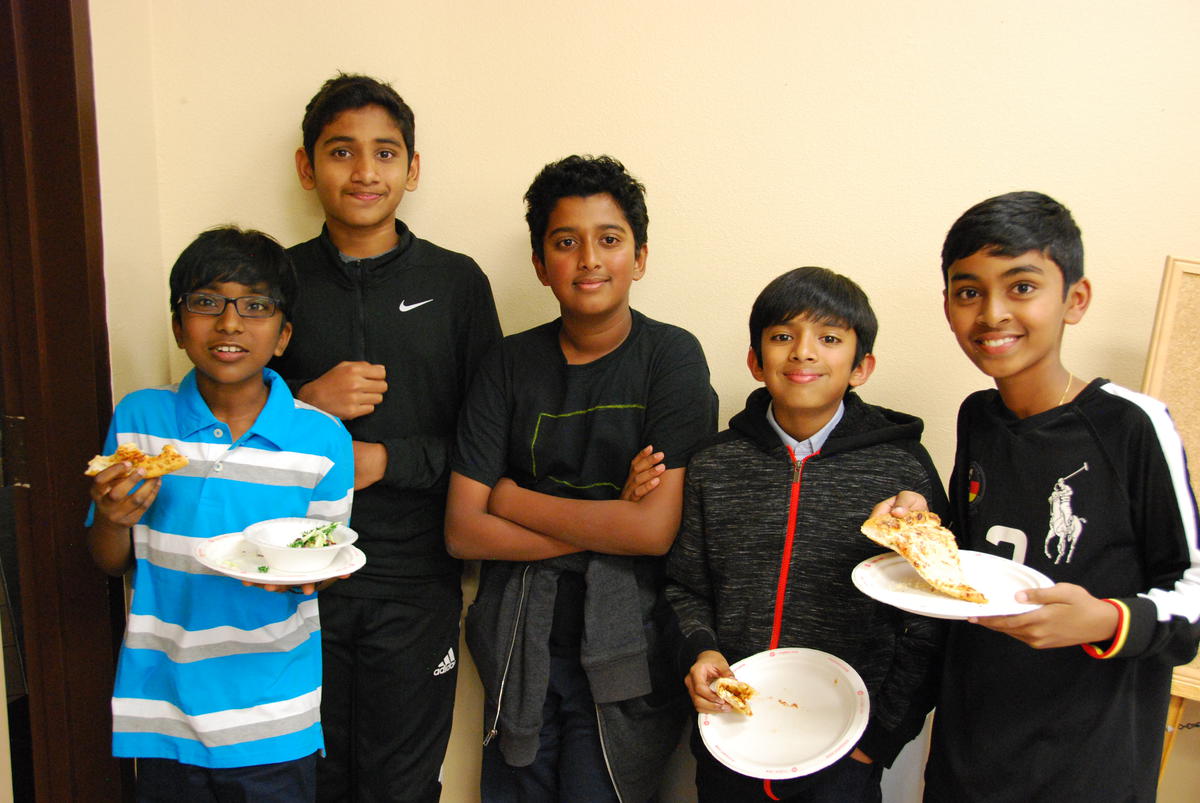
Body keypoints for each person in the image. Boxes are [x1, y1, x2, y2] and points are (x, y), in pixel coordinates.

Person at [877, 191, 1200, 801]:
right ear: (947, 306)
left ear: (1075, 300)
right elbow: (974, 555)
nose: (992, 313)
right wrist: (921, 523)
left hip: (1084, 765)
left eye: (1022, 287)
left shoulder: (1133, 424)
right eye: (968, 292)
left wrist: (1105, 620)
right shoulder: (978, 416)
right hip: (969, 753)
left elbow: (1193, 592)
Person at [445, 154, 717, 802]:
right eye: (566, 242)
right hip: (520, 636)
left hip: (632, 641)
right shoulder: (508, 363)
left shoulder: (671, 357)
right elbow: (462, 530)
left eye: (609, 239)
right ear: (541, 264)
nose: (589, 259)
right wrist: (610, 519)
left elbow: (653, 532)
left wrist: (512, 498)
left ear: (640, 257)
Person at [268, 73, 502, 802]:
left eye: (385, 152)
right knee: (307, 778)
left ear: (413, 167)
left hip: (414, 577)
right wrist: (305, 403)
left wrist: (384, 460)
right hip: (295, 577)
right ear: (307, 167)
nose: (365, 171)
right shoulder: (276, 282)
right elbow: (226, 428)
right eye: (341, 151)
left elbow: (488, 445)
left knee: (400, 785)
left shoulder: (457, 283)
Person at [86, 226, 354, 801]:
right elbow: (109, 562)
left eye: (255, 306)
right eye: (207, 303)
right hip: (163, 709)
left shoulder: (322, 438)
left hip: (274, 714)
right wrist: (111, 517)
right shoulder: (140, 420)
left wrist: (308, 573)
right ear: (178, 326)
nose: (230, 323)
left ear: (282, 335)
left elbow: (326, 558)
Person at [664, 267, 949, 802]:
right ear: (755, 360)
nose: (803, 352)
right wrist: (699, 652)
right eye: (782, 336)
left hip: (845, 745)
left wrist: (882, 736)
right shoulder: (713, 465)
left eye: (830, 338)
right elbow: (685, 587)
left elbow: (930, 615)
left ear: (861, 367)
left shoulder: (902, 469)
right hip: (733, 733)